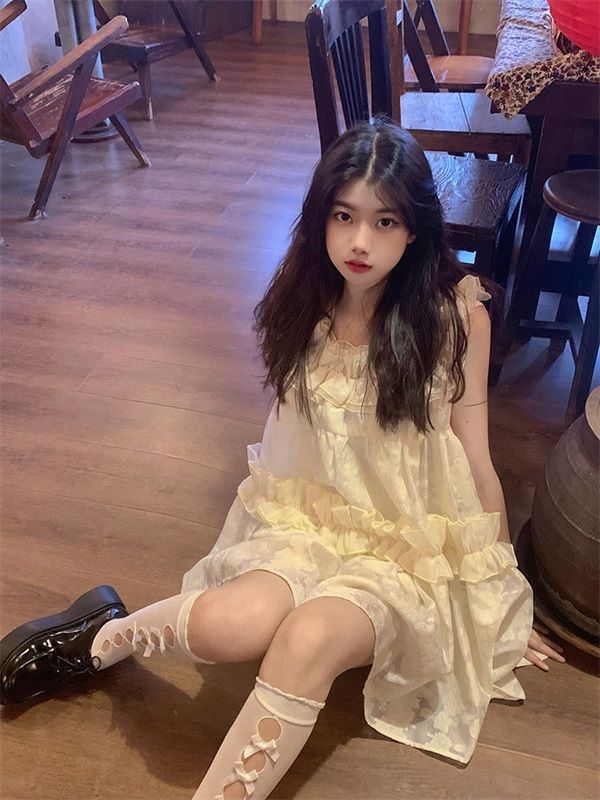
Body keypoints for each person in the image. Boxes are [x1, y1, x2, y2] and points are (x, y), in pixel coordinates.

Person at [0, 119, 565, 800]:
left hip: (405, 552)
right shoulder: (305, 299)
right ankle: (100, 636)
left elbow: (475, 457)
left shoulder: (456, 317)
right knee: (226, 625)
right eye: (343, 216)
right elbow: (301, 441)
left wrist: (501, 588)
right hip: (309, 526)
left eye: (385, 221)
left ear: (415, 229)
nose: (360, 242)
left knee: (307, 640)